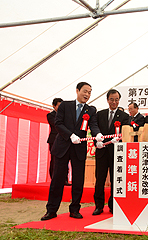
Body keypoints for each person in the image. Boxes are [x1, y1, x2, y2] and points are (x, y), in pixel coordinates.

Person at [41, 82, 103, 221]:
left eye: (90, 92)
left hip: (79, 148)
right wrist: (70, 135)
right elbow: (58, 123)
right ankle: (51, 210)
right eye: (85, 91)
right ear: (77, 91)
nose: (87, 94)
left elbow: (93, 125)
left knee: (78, 180)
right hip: (63, 146)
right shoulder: (65, 105)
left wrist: (98, 136)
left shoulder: (91, 110)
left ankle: (75, 209)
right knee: (57, 179)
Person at [92, 89, 130, 215]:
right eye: (112, 99)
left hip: (117, 153)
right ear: (107, 100)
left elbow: (127, 133)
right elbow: (94, 128)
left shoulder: (124, 116)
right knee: (100, 179)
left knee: (116, 179)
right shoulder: (100, 114)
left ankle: (114, 205)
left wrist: (119, 140)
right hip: (102, 151)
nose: (114, 102)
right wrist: (97, 141)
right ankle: (98, 205)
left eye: (117, 99)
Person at [47, 98, 71, 186]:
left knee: (65, 160)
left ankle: (65, 179)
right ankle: (54, 179)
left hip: (64, 140)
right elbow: (57, 125)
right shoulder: (51, 115)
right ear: (54, 106)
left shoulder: (65, 115)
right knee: (54, 160)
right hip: (54, 140)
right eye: (59, 105)